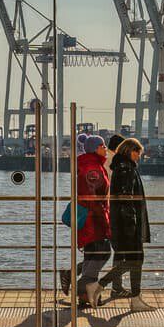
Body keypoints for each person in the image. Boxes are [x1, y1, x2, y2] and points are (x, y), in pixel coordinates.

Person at [104, 135, 152, 310]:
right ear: (131, 151)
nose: (139, 156)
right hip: (129, 223)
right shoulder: (126, 168)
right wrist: (131, 221)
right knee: (135, 259)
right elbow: (126, 197)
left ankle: (135, 298)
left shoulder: (120, 166)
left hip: (122, 221)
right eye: (138, 153)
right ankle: (102, 285)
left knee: (133, 259)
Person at [66, 132, 113, 309]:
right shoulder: (92, 169)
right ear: (95, 149)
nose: (105, 149)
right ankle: (81, 287)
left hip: (91, 218)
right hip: (94, 219)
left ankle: (86, 296)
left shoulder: (92, 165)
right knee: (103, 253)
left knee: (92, 255)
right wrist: (105, 219)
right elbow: (92, 198)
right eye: (103, 146)